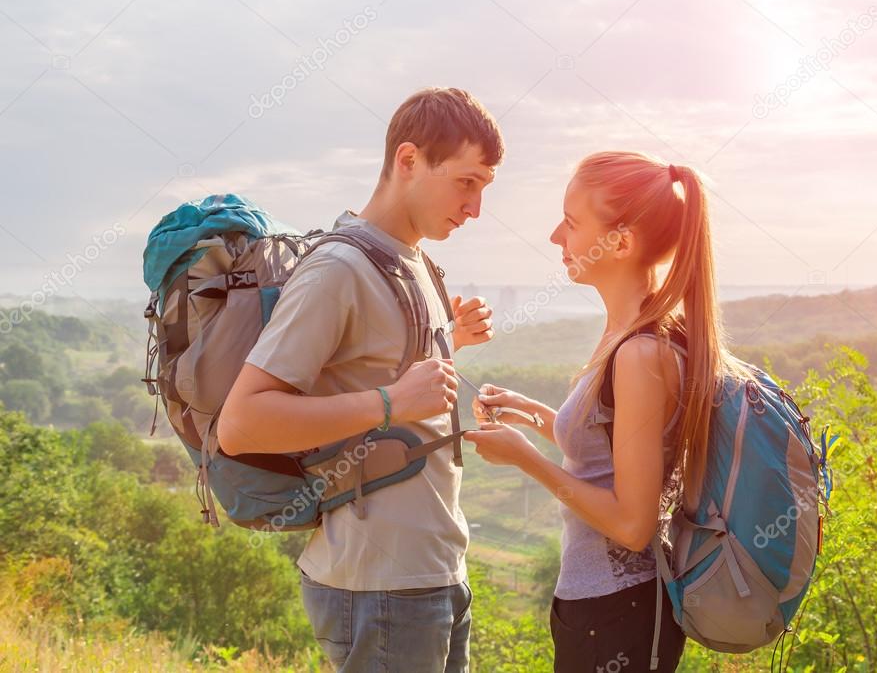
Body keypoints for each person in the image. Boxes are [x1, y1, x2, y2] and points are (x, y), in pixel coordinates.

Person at [218, 87, 503, 672]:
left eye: (483, 189)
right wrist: (389, 401)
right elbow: (241, 423)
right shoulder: (337, 268)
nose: (475, 208)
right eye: (466, 182)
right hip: (379, 586)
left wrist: (450, 343)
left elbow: (393, 386)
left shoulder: (415, 261)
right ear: (408, 161)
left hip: (436, 570)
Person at [464, 152, 751, 671]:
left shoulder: (641, 353)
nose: (556, 236)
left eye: (572, 223)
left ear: (620, 242)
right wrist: (533, 415)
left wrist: (527, 460)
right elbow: (613, 455)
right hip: (603, 605)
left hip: (617, 613)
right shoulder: (630, 332)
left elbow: (632, 525)